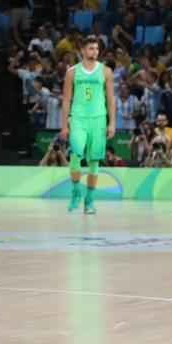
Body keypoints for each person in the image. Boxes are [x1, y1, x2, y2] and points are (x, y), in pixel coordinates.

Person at [60, 36, 116, 214]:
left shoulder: (106, 71)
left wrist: (112, 123)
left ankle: (89, 200)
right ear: (83, 50)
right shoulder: (72, 72)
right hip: (78, 118)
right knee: (76, 156)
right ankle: (76, 191)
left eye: (97, 49)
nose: (94, 52)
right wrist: (64, 125)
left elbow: (111, 99)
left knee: (94, 162)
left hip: (98, 119)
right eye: (91, 48)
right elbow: (66, 99)